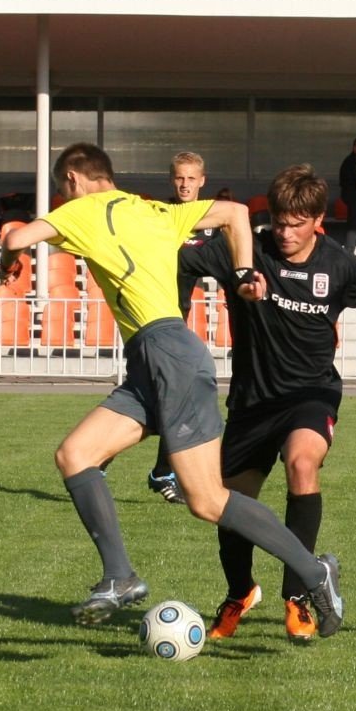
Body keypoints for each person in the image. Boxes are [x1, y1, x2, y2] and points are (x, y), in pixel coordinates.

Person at [0, 142, 344, 637]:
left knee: (206, 499)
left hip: (168, 356)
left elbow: (19, 235)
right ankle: (120, 577)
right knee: (75, 454)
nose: (62, 197)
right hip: (153, 361)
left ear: (73, 179)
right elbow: (235, 213)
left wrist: (10, 260)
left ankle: (314, 572)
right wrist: (245, 270)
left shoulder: (81, 209)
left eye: (61, 189)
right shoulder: (155, 209)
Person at [180, 164, 356, 642]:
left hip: (311, 393)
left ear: (318, 219)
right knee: (230, 504)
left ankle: (298, 595)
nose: (284, 231)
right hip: (251, 400)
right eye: (278, 221)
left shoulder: (341, 265)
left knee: (303, 464)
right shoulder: (245, 248)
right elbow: (179, 261)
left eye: (296, 222)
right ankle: (240, 592)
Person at [146, 150, 214, 505]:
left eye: (191, 178)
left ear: (202, 180)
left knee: (173, 398)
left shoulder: (211, 221)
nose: (185, 184)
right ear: (171, 180)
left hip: (177, 322)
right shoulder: (158, 216)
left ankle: (160, 471)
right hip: (151, 320)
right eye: (179, 178)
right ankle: (97, 459)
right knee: (161, 398)